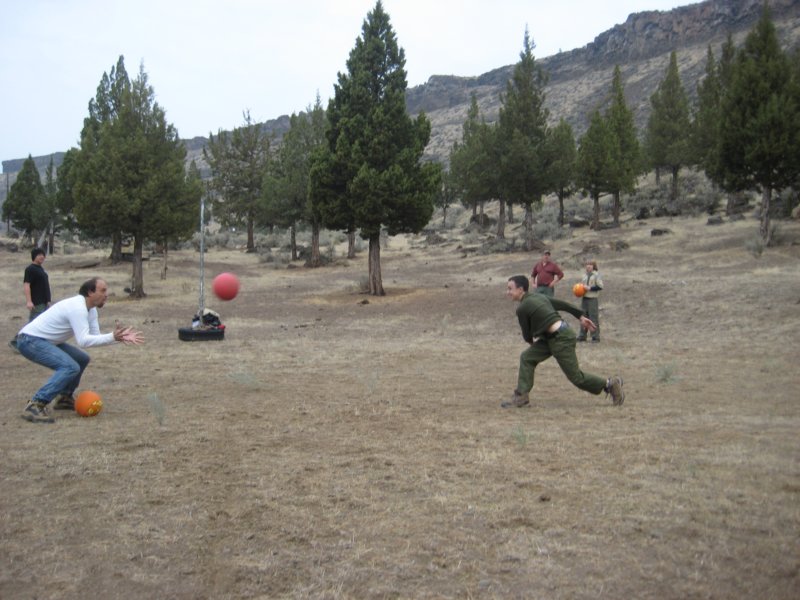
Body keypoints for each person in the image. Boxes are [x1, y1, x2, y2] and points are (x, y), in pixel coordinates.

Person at [15, 277, 145, 423]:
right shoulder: (77, 307)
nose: (106, 294)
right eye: (103, 290)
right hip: (29, 340)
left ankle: (64, 398)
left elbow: (94, 338)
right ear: (90, 292)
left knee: (82, 359)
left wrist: (119, 338)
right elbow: (83, 341)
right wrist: (113, 337)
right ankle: (36, 404)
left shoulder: (91, 310)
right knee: (70, 367)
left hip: (45, 341)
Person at [503, 274, 624, 408]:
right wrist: (580, 316)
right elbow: (562, 304)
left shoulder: (522, 308)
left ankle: (610, 384)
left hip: (561, 338)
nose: (507, 292)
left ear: (520, 289)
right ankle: (521, 397)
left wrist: (531, 342)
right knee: (527, 357)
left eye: (510, 289)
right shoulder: (537, 296)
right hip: (551, 338)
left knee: (576, 378)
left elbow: (527, 334)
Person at [9, 247, 52, 351]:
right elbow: (26, 285)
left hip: (43, 301)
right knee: (32, 324)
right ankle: (15, 342)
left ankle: (39, 343)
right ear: (34, 256)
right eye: (39, 255)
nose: (42, 256)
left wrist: (47, 301)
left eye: (43, 255)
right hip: (37, 302)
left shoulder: (40, 269)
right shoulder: (30, 269)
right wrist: (29, 301)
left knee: (42, 323)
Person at [576, 260, 604, 343]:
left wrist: (590, 288)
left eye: (590, 265)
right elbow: (581, 286)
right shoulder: (584, 275)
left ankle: (595, 337)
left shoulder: (596, 275)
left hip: (592, 299)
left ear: (593, 266)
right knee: (583, 317)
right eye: (587, 264)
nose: (588, 266)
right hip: (584, 299)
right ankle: (582, 336)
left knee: (593, 318)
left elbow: (600, 286)